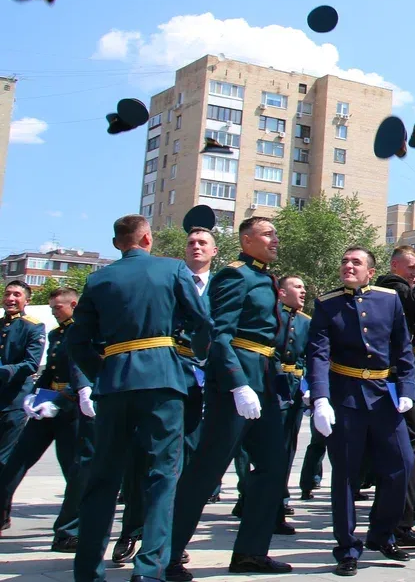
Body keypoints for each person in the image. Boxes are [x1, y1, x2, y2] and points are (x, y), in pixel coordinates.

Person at [68, 214, 211, 582]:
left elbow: (78, 342)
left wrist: (104, 372)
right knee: (163, 475)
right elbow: (201, 322)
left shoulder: (98, 278)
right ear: (147, 238)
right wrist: (192, 356)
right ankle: (149, 569)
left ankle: (87, 569)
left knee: (104, 477)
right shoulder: (173, 269)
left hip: (115, 383)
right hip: (163, 379)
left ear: (119, 243)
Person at [166, 216, 292, 580]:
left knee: (272, 468)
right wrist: (237, 383)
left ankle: (251, 553)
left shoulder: (263, 276)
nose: (275, 239)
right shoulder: (235, 275)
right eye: (268, 234)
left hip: (264, 382)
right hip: (238, 382)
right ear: (246, 239)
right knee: (207, 469)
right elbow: (219, 335)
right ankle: (167, 553)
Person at [308, 247, 415, 576]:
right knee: (345, 475)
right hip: (345, 397)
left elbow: (403, 348)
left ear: (371, 271)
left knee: (402, 464)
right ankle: (346, 547)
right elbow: (318, 354)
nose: (347, 266)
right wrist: (320, 398)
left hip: (384, 397)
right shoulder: (327, 304)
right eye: (344, 261)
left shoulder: (389, 299)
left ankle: (381, 534)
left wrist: (407, 389)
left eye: (355, 262)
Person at [114, 224, 218, 565]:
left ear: (215, 251)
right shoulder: (164, 276)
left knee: (183, 461)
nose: (196, 247)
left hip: (204, 381)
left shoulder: (220, 286)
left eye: (203, 242)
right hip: (164, 376)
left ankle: (169, 538)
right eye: (191, 242)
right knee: (141, 458)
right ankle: (132, 529)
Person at [0, 287, 90, 550]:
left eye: (57, 307)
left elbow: (83, 373)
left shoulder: (84, 331)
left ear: (72, 304)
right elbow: (52, 370)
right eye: (50, 307)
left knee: (73, 470)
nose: (53, 311)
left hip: (71, 407)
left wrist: (63, 399)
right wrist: (36, 397)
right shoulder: (57, 333)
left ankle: (68, 530)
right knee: (16, 462)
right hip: (48, 402)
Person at [372, 245, 415, 547]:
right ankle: (396, 524)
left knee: (408, 446)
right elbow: (412, 306)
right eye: (411, 267)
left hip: (402, 374)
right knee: (409, 444)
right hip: (393, 377)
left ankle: (396, 522)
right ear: (395, 266)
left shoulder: (402, 288)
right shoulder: (391, 286)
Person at [0, 279, 45, 521]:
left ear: (26, 300)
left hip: (14, 402)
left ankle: (2, 514)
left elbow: (30, 364)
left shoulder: (33, 327)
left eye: (17, 295)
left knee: (4, 461)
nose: (11, 299)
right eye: (8, 294)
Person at [272, 275, 309, 536]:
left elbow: (308, 355)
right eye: (297, 287)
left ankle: (279, 502)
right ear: (281, 293)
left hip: (294, 389)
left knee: (287, 447)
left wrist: (307, 387)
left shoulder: (307, 321)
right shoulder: (272, 316)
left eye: (304, 287)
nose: (303, 291)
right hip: (271, 386)